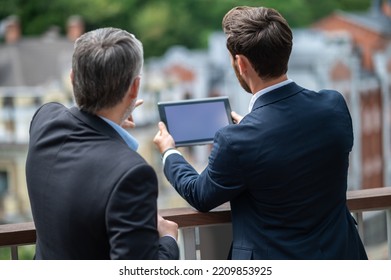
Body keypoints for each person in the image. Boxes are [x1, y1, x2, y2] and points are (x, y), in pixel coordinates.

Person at [153, 6, 368, 260]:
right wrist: (254, 130)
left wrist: (169, 151)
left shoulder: (237, 141)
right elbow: (301, 149)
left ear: (241, 63)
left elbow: (200, 194)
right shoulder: (333, 105)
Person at [25, 27, 179, 260]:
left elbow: (78, 126)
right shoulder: (133, 173)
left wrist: (111, 119)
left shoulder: (44, 120)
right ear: (135, 88)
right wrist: (168, 240)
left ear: (72, 78)